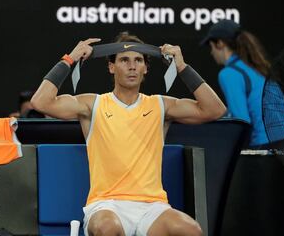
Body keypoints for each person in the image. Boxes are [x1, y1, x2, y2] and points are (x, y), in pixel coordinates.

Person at [31, 32, 226, 236]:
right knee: (108, 228)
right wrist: (69, 59)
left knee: (190, 229)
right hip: (106, 205)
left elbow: (215, 110)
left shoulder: (161, 105)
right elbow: (41, 102)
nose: (132, 66)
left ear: (145, 68)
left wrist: (182, 67)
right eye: (124, 60)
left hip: (152, 207)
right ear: (111, 67)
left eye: (138, 60)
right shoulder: (92, 104)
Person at [201, 19, 271, 148]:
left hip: (265, 147)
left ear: (220, 43)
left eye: (211, 47)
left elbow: (241, 123)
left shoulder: (229, 74)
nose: (211, 52)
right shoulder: (256, 67)